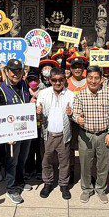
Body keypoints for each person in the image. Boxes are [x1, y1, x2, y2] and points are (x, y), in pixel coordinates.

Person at [71, 66, 109, 203]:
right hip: (86, 135)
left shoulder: (108, 94)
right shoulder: (80, 95)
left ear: (101, 79)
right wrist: (78, 119)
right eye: (90, 78)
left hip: (103, 135)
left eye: (96, 78)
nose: (93, 81)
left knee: (103, 164)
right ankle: (87, 189)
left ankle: (101, 189)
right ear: (86, 79)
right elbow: (75, 114)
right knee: (85, 164)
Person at [0, 59, 34, 204]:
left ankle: (20, 181)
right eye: (13, 71)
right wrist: (6, 134)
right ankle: (11, 189)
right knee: (12, 160)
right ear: (7, 71)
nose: (16, 74)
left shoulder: (24, 85)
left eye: (19, 71)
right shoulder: (1, 90)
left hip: (26, 130)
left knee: (22, 158)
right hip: (11, 133)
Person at [36, 68, 74, 199]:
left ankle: (64, 185)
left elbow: (75, 116)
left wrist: (71, 114)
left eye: (61, 80)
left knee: (65, 162)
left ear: (65, 80)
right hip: (48, 134)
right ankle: (48, 183)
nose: (58, 83)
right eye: (54, 80)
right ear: (49, 80)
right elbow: (38, 118)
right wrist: (38, 113)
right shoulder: (43, 93)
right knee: (46, 161)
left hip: (64, 134)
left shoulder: (71, 95)